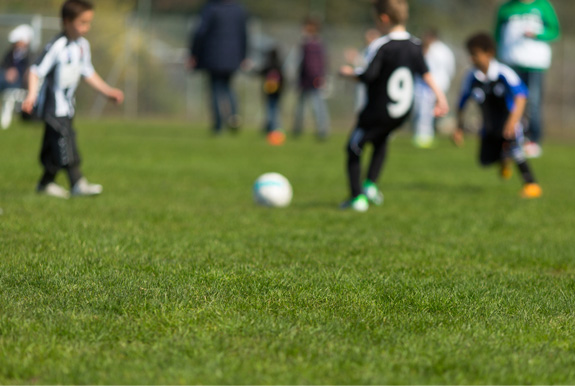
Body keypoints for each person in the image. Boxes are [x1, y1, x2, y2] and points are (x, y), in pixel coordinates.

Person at [339, 0, 448, 212]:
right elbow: (425, 73)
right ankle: (370, 185)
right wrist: (440, 97)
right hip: (400, 113)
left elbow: (369, 76)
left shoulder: (381, 45)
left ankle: (357, 198)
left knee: (353, 148)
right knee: (381, 141)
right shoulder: (415, 45)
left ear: (383, 18)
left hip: (377, 111)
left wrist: (349, 73)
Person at [21, 0, 124, 199]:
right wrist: (31, 95)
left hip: (67, 107)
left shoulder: (82, 46)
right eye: (82, 22)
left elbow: (88, 73)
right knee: (66, 140)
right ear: (67, 22)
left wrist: (107, 91)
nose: (87, 27)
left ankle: (45, 183)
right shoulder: (57, 45)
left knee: (53, 146)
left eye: (89, 22)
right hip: (53, 108)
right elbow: (35, 71)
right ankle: (77, 182)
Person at [453, 33, 542, 199]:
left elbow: (521, 96)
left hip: (509, 122)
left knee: (516, 150)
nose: (472, 59)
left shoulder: (503, 73)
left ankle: (532, 185)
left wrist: (512, 122)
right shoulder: (471, 77)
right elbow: (462, 103)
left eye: (475, 54)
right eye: (470, 54)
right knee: (485, 161)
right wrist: (458, 128)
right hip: (489, 126)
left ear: (489, 53)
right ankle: (503, 158)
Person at [495, 0, 561, 158]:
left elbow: (555, 31)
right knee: (508, 101)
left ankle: (533, 140)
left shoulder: (543, 6)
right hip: (510, 62)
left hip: (534, 63)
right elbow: (497, 34)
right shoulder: (506, 8)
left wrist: (538, 34)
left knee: (533, 102)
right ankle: (509, 139)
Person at [189, 0, 248, 135]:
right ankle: (233, 117)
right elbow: (244, 33)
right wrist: (244, 55)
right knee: (228, 87)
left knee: (215, 89)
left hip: (213, 55)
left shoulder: (211, 8)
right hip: (233, 56)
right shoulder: (238, 10)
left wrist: (194, 53)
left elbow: (200, 32)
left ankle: (218, 124)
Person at [412, 29, 455, 148]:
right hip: (442, 84)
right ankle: (428, 134)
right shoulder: (446, 50)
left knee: (425, 112)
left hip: (429, 85)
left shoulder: (430, 50)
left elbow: (424, 70)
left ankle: (424, 136)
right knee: (431, 111)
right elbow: (451, 68)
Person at [293, 17, 330, 140]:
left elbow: (314, 64)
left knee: (317, 106)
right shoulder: (312, 43)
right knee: (301, 106)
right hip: (306, 80)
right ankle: (298, 129)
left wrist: (317, 77)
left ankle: (322, 130)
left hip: (313, 80)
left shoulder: (311, 45)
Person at [0, 24, 33, 92]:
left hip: (20, 82)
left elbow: (30, 69)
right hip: (7, 79)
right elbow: (4, 64)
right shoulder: (10, 53)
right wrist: (8, 72)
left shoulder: (31, 55)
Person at [260, 47, 284, 136]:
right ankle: (275, 128)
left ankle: (272, 128)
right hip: (277, 93)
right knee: (275, 110)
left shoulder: (268, 65)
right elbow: (283, 80)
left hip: (269, 92)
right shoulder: (280, 66)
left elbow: (260, 72)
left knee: (270, 110)